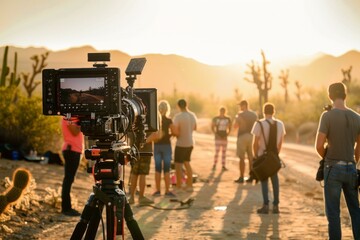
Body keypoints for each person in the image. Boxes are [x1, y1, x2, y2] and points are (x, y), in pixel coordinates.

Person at [315, 82, 360, 239]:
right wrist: (353, 161)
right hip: (351, 169)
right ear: (345, 95)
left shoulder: (327, 116)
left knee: (334, 214)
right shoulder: (357, 117)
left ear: (330, 96)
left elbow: (319, 145)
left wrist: (327, 158)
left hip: (333, 168)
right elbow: (359, 146)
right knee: (356, 211)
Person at [251, 103, 285, 214]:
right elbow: (280, 142)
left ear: (264, 111)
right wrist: (275, 155)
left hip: (262, 156)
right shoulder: (280, 124)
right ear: (273, 111)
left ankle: (265, 205)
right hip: (274, 156)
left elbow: (255, 142)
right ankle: (276, 206)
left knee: (264, 180)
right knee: (275, 180)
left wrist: (255, 156)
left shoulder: (259, 124)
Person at [150, 100, 176, 197]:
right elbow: (175, 132)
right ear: (167, 109)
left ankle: (157, 190)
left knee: (157, 169)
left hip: (157, 146)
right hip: (166, 146)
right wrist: (169, 135)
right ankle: (167, 191)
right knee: (166, 169)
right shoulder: (168, 120)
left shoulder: (155, 120)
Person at [172, 99, 197, 192]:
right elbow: (195, 127)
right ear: (187, 105)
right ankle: (189, 185)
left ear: (178, 106)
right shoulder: (192, 115)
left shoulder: (178, 117)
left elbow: (175, 131)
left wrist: (174, 134)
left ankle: (179, 186)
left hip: (181, 143)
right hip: (190, 142)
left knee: (178, 165)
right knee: (187, 163)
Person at [61, 116, 84, 216]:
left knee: (69, 179)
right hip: (71, 150)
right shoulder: (67, 117)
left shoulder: (73, 118)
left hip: (75, 151)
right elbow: (75, 132)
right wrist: (82, 121)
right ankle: (66, 208)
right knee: (68, 179)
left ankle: (66, 207)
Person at [233, 100, 258, 183]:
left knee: (242, 158)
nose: (240, 107)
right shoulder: (254, 115)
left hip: (242, 136)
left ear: (244, 105)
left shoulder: (240, 114)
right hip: (252, 137)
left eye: (240, 105)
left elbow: (235, 126)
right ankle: (251, 176)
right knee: (251, 157)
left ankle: (241, 177)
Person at [128, 134, 154, 205]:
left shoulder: (133, 122)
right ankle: (141, 197)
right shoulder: (150, 122)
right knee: (142, 174)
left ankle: (132, 197)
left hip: (135, 150)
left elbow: (129, 134)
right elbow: (155, 135)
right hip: (145, 151)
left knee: (134, 173)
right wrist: (144, 142)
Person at [211, 106, 232, 171]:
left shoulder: (228, 119)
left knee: (223, 152)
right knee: (217, 152)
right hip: (218, 137)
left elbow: (230, 127)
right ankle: (214, 165)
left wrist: (227, 134)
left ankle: (223, 165)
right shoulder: (216, 118)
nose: (222, 112)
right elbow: (212, 127)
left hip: (224, 137)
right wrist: (216, 134)